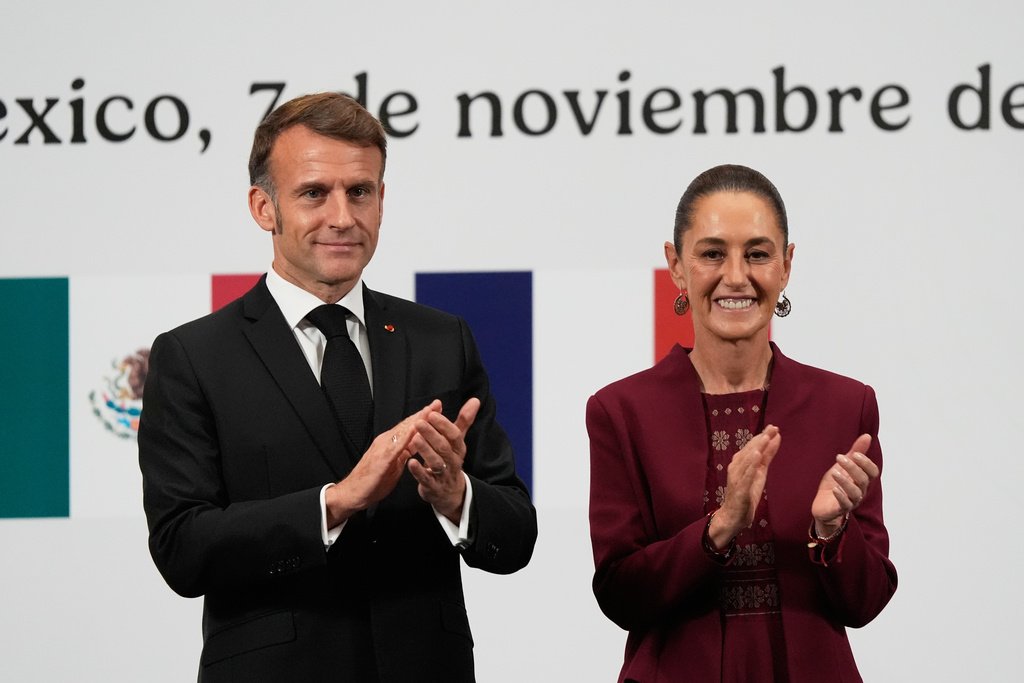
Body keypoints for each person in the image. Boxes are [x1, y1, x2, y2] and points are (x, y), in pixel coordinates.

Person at [138, 93, 537, 683]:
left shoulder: (441, 339)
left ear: (381, 201)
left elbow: (516, 534)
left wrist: (456, 496)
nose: (343, 216)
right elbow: (182, 549)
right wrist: (336, 502)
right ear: (262, 207)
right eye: (313, 192)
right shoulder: (193, 356)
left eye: (360, 191)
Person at [587, 164, 896, 682]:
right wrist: (720, 526)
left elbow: (866, 602)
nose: (736, 276)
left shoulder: (845, 405)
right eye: (712, 254)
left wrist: (830, 529)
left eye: (757, 253)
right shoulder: (621, 410)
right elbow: (620, 595)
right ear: (677, 266)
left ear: (786, 265)